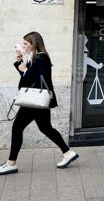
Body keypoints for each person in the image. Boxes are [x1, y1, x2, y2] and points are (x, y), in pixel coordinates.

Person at [0, 32, 78, 176]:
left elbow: (40, 78)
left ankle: (11, 163)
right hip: (36, 100)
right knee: (46, 128)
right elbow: (28, 78)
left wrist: (25, 70)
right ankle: (68, 153)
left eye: (25, 43)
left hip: (35, 100)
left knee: (17, 127)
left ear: (33, 43)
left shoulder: (42, 58)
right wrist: (19, 63)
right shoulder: (34, 57)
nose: (23, 46)